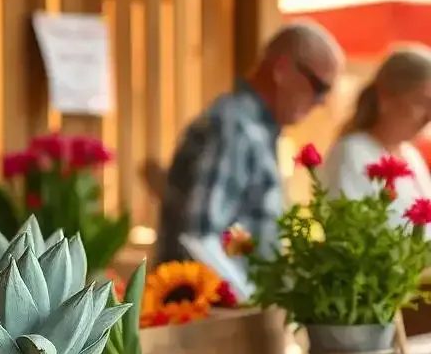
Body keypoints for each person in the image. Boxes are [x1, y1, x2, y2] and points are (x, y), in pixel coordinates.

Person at [156, 21, 344, 262]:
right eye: (319, 87)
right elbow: (199, 241)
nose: (321, 102)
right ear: (282, 70)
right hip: (212, 299)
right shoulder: (234, 128)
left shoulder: (255, 131)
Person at [321, 46, 431, 217]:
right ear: (386, 98)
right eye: (422, 102)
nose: (429, 116)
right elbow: (347, 232)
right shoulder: (351, 153)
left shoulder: (411, 155)